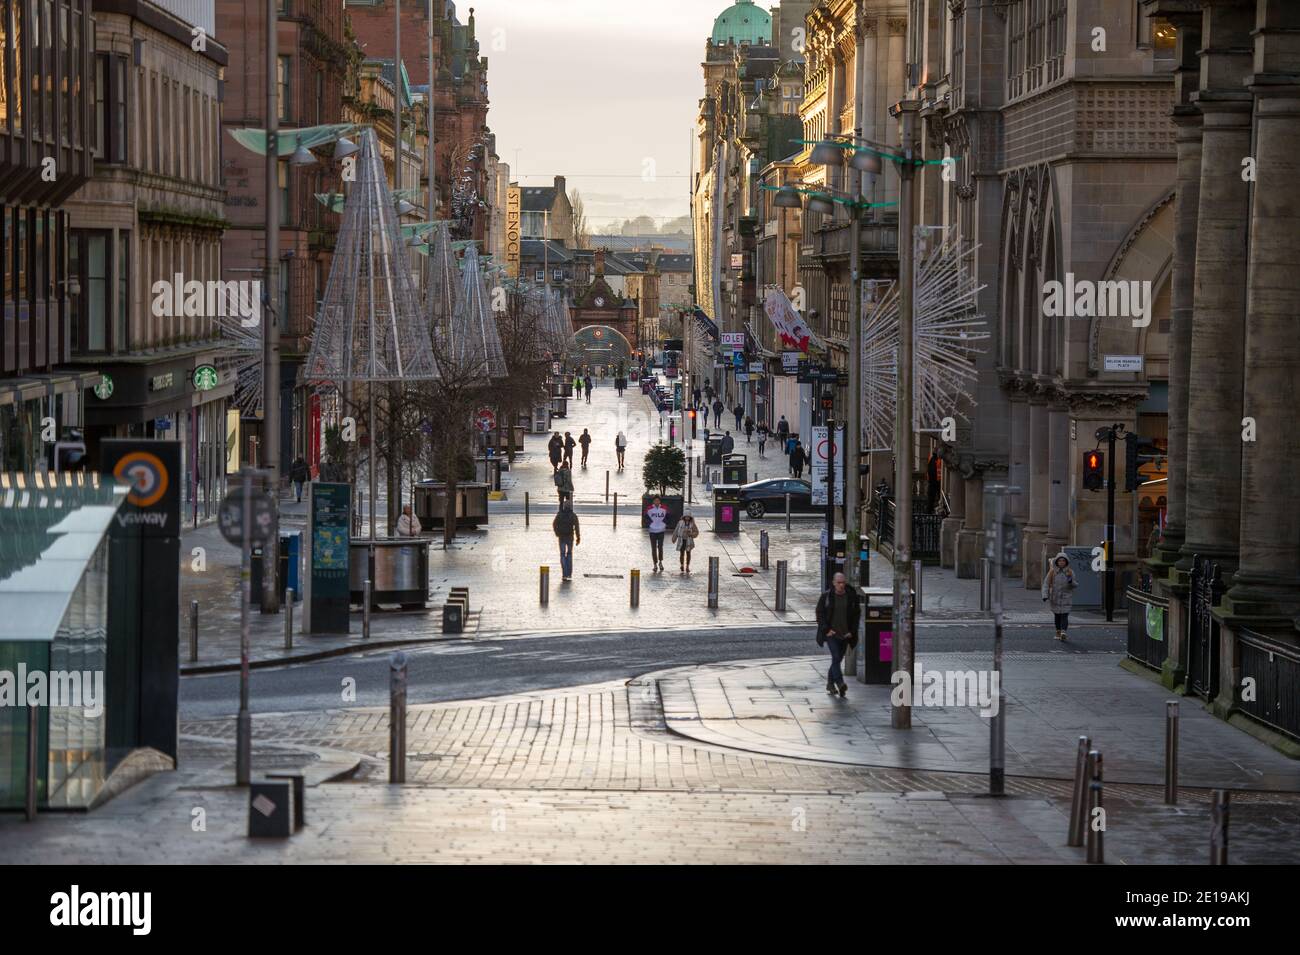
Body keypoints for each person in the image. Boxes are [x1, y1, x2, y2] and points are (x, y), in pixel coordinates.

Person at [816, 572, 861, 697]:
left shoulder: (851, 596)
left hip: (845, 635)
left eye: (843, 583)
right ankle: (840, 683)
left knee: (838, 660)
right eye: (839, 583)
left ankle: (830, 684)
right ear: (834, 583)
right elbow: (820, 614)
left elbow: (856, 615)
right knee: (836, 657)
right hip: (832, 634)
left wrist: (852, 632)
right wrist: (826, 630)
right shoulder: (826, 597)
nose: (841, 585)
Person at [1042, 553, 1078, 641]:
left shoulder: (1070, 572)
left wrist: (1070, 581)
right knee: (1057, 616)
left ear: (1066, 562)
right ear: (1056, 562)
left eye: (1063, 561)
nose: (1061, 562)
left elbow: (1075, 585)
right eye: (1060, 561)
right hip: (1055, 598)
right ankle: (1058, 631)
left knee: (1064, 616)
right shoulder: (1052, 572)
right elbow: (1046, 584)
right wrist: (1045, 595)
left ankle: (1063, 632)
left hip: (1066, 598)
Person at [552, 499, 581, 581]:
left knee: (562, 554)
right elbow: (577, 527)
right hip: (570, 537)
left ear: (564, 506)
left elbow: (554, 524)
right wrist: (578, 537)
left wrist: (557, 533)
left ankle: (564, 573)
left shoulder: (560, 514)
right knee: (569, 554)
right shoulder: (573, 515)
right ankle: (569, 573)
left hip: (561, 537)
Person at [646, 496, 669, 572]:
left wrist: (664, 524)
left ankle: (660, 562)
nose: (656, 502)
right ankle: (655, 564)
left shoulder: (664, 508)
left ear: (660, 501)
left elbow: (668, 516)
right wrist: (649, 524)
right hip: (652, 530)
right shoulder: (649, 508)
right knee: (653, 548)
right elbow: (645, 517)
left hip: (661, 530)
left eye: (658, 500)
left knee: (660, 547)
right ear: (653, 501)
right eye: (655, 500)